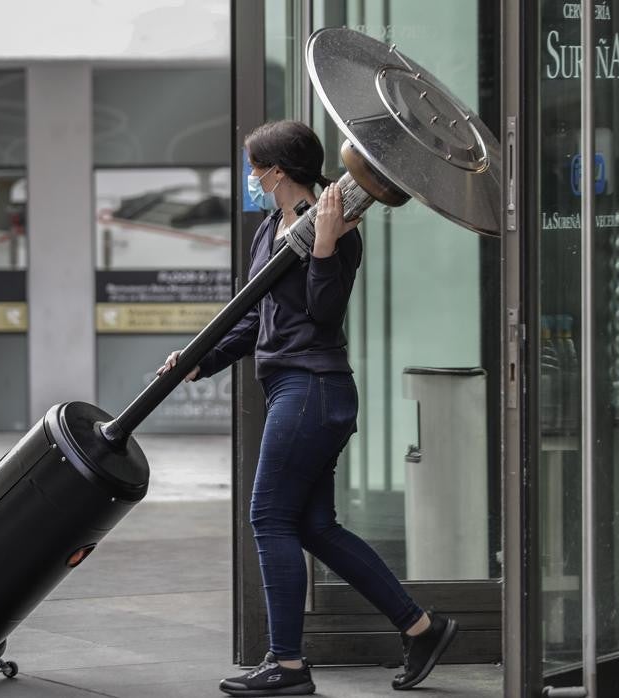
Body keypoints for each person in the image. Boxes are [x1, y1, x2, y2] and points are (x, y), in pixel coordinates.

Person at [157, 120, 458, 696]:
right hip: (294, 390)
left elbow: (322, 315)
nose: (251, 177)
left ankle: (288, 666)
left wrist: (323, 248)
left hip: (312, 388)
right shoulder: (270, 226)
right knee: (314, 526)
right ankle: (422, 628)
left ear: (276, 171)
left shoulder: (336, 221)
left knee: (269, 517)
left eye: (255, 167)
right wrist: (202, 359)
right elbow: (252, 317)